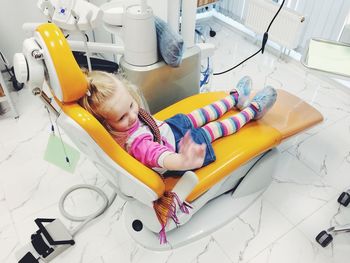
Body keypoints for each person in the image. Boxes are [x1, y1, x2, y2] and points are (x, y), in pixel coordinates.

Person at [78, 70, 277, 176]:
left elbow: (136, 116)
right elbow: (159, 156)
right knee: (214, 129)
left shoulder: (126, 116)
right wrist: (184, 161)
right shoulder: (137, 144)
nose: (131, 115)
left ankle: (235, 98)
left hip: (168, 130)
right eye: (121, 117)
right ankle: (252, 111)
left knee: (200, 113)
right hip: (178, 151)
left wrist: (129, 113)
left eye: (131, 104)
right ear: (106, 124)